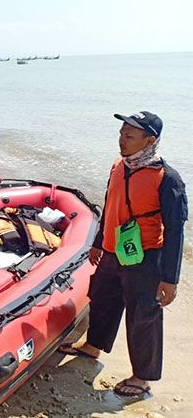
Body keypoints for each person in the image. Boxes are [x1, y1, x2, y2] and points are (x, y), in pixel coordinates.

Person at [59, 111, 187, 398]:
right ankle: (93, 346)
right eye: (121, 134)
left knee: (143, 314)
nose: (121, 140)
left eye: (129, 136)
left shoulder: (167, 178)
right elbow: (110, 206)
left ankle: (142, 377)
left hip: (145, 257)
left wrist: (170, 279)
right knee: (103, 298)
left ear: (150, 140)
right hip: (114, 250)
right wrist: (97, 242)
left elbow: (176, 231)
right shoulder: (118, 166)